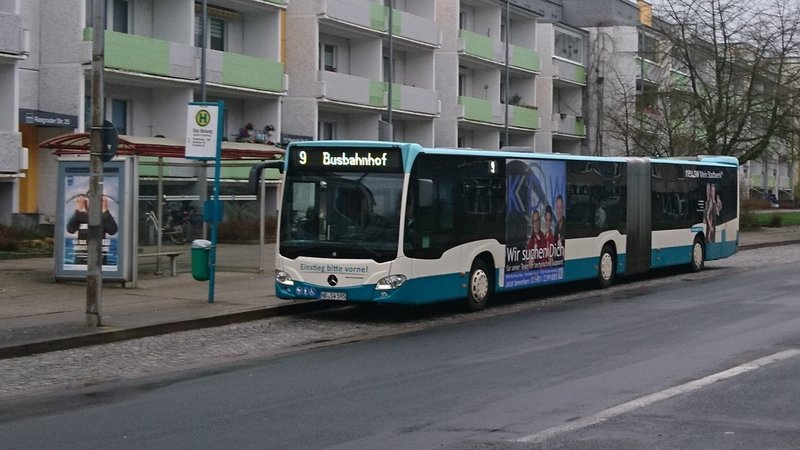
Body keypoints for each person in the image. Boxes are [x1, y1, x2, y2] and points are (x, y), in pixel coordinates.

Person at [66, 194, 118, 264]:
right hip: (81, 258)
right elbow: (70, 229)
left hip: (99, 259)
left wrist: (105, 210)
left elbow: (113, 231)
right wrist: (78, 211)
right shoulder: (80, 216)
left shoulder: (104, 217)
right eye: (89, 201)